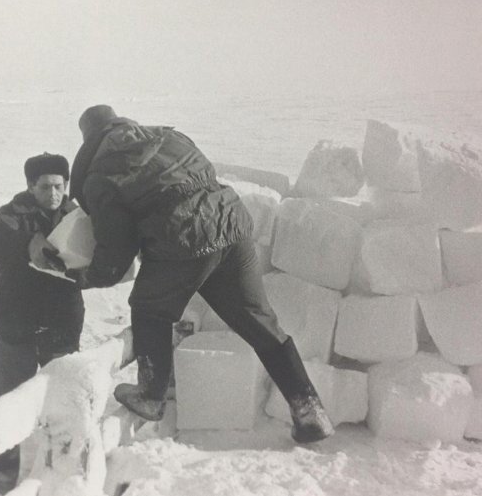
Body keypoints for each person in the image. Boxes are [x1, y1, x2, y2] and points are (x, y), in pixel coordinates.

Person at [65, 105, 334, 444]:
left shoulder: (101, 173)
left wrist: (87, 276)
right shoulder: (168, 136)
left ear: (88, 138)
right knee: (260, 322)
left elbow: (115, 253)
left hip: (183, 236)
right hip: (231, 224)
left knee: (149, 308)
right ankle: (310, 411)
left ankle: (150, 396)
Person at [0, 153, 85, 494]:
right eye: (45, 186)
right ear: (30, 186)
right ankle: (4, 469)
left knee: (64, 401)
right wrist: (29, 244)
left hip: (61, 324)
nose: (53, 193)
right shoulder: (13, 215)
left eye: (59, 186)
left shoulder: (78, 216)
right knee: (9, 399)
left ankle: (62, 468)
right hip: (18, 323)